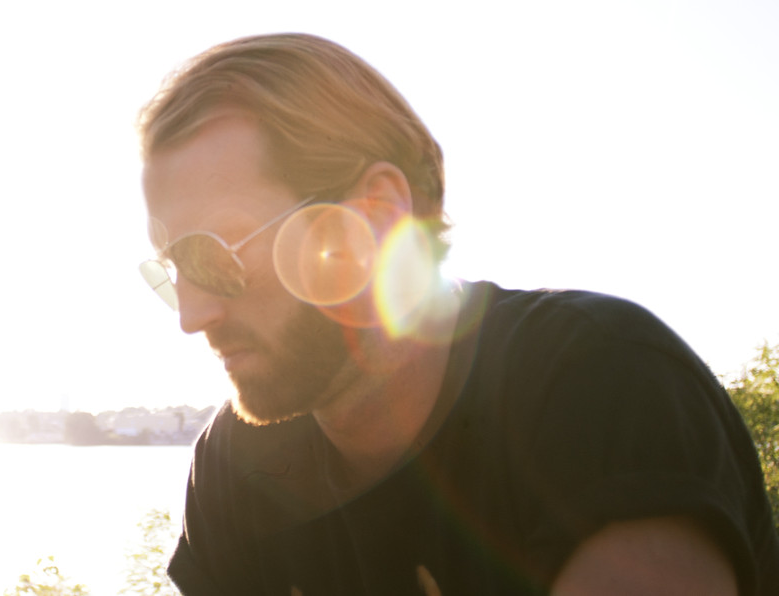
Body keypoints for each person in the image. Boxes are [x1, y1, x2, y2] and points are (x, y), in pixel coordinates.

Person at [136, 33, 779, 595]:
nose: (191, 315)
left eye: (213, 254)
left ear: (376, 216)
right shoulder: (238, 466)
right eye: (172, 269)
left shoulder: (600, 379)